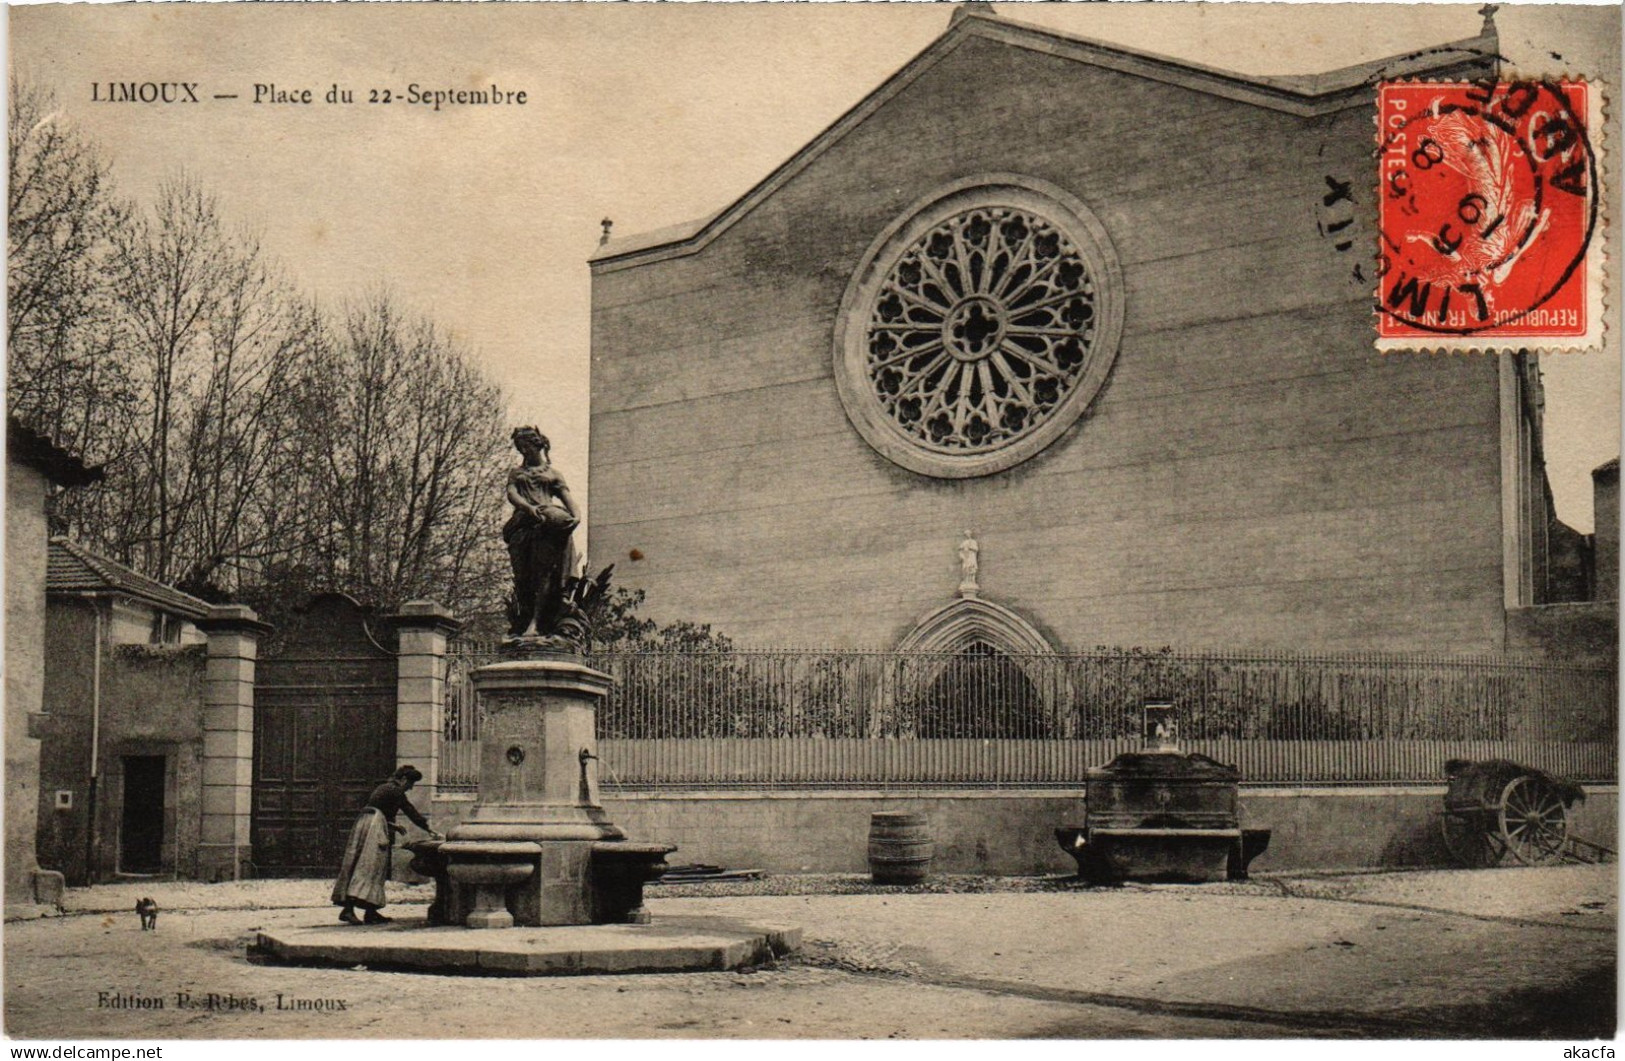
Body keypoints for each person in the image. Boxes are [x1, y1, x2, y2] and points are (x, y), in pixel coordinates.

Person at [332, 765, 442, 925]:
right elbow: (410, 811)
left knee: (365, 867)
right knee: (369, 868)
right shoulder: (395, 791)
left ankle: (370, 912)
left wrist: (393, 826)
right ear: (403, 779)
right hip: (374, 830)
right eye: (410, 783)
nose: (410, 788)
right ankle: (349, 911)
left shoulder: (383, 788)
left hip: (366, 826)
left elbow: (377, 811)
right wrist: (429, 829)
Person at [504, 426, 581, 638]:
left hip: (546, 524)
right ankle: (525, 621)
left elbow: (568, 500)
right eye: (519, 447)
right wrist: (527, 507)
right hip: (522, 525)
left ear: (537, 444)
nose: (523, 451)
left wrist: (576, 516)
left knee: (543, 573)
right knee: (523, 578)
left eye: (526, 446)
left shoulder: (553, 474)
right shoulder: (516, 473)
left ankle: (536, 623)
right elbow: (512, 494)